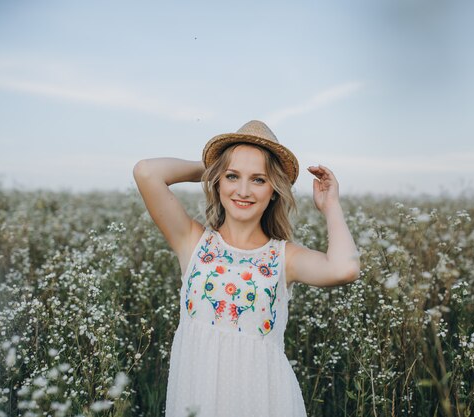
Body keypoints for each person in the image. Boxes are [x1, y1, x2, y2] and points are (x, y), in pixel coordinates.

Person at [133, 120, 360, 417]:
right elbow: (146, 172)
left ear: (274, 191)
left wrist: (331, 206)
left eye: (258, 180)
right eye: (232, 177)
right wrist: (215, 167)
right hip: (197, 396)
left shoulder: (283, 257)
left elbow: (345, 269)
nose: (243, 190)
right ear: (217, 181)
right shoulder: (192, 242)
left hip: (262, 400)